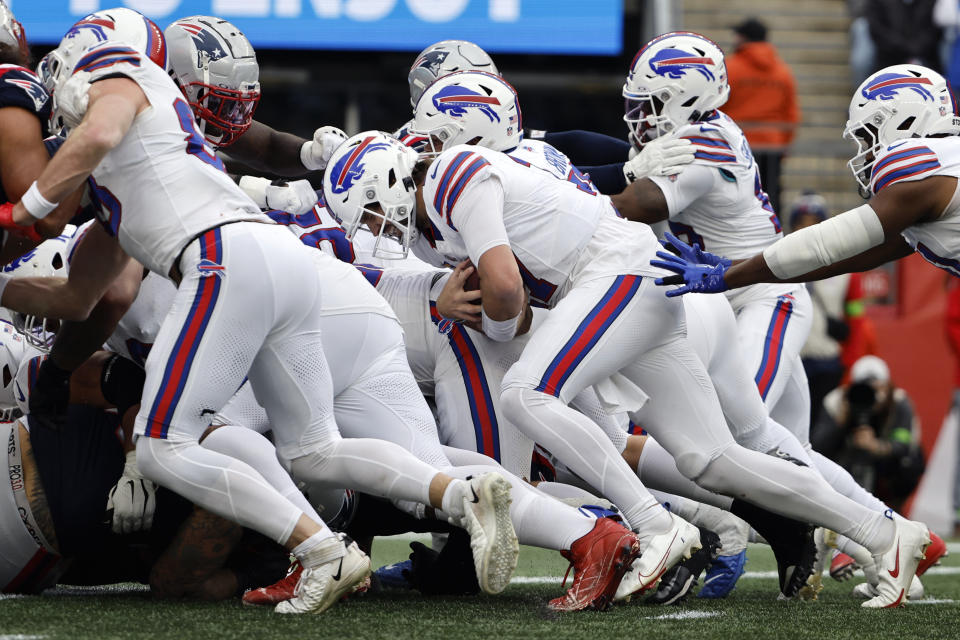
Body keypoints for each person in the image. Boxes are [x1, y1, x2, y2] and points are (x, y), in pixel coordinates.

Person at [0, 15, 523, 613]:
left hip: (224, 260)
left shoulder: (117, 72)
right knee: (313, 451)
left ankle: (322, 551)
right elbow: (78, 297)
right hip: (280, 263)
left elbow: (92, 138)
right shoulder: (136, 173)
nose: (57, 124)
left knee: (160, 445)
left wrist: (21, 213)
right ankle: (462, 494)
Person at [789, 192, 870, 427]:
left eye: (815, 223)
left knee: (823, 434)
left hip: (829, 363)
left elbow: (856, 321)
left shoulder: (846, 269)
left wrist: (850, 364)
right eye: (801, 223)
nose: (807, 229)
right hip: (791, 360)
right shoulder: (777, 264)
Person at [812, 355, 925, 511]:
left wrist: (877, 447)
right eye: (865, 389)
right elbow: (817, 446)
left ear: (887, 386)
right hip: (844, 462)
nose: (872, 396)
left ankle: (894, 508)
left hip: (885, 468)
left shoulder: (898, 403)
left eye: (878, 388)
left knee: (909, 464)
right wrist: (841, 421)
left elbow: (904, 445)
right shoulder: (836, 401)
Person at [722, 18, 800, 214]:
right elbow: (791, 114)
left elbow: (719, 106)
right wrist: (783, 145)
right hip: (772, 147)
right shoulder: (783, 71)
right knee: (771, 197)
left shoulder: (730, 68)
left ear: (742, 37)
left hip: (736, 147)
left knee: (736, 200)